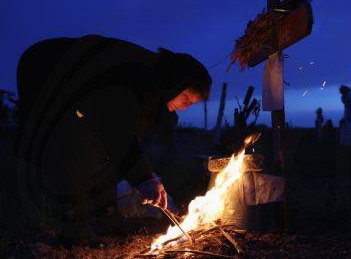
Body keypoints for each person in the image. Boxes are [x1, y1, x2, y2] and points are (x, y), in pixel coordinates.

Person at [16, 35, 211, 245]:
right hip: (46, 71)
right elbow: (118, 133)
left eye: (191, 104)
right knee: (78, 146)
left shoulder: (151, 93)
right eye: (186, 99)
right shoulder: (137, 78)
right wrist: (143, 178)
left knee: (105, 153)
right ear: (175, 83)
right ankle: (74, 229)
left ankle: (107, 220)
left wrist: (148, 178)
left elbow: (123, 142)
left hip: (79, 96)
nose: (185, 107)